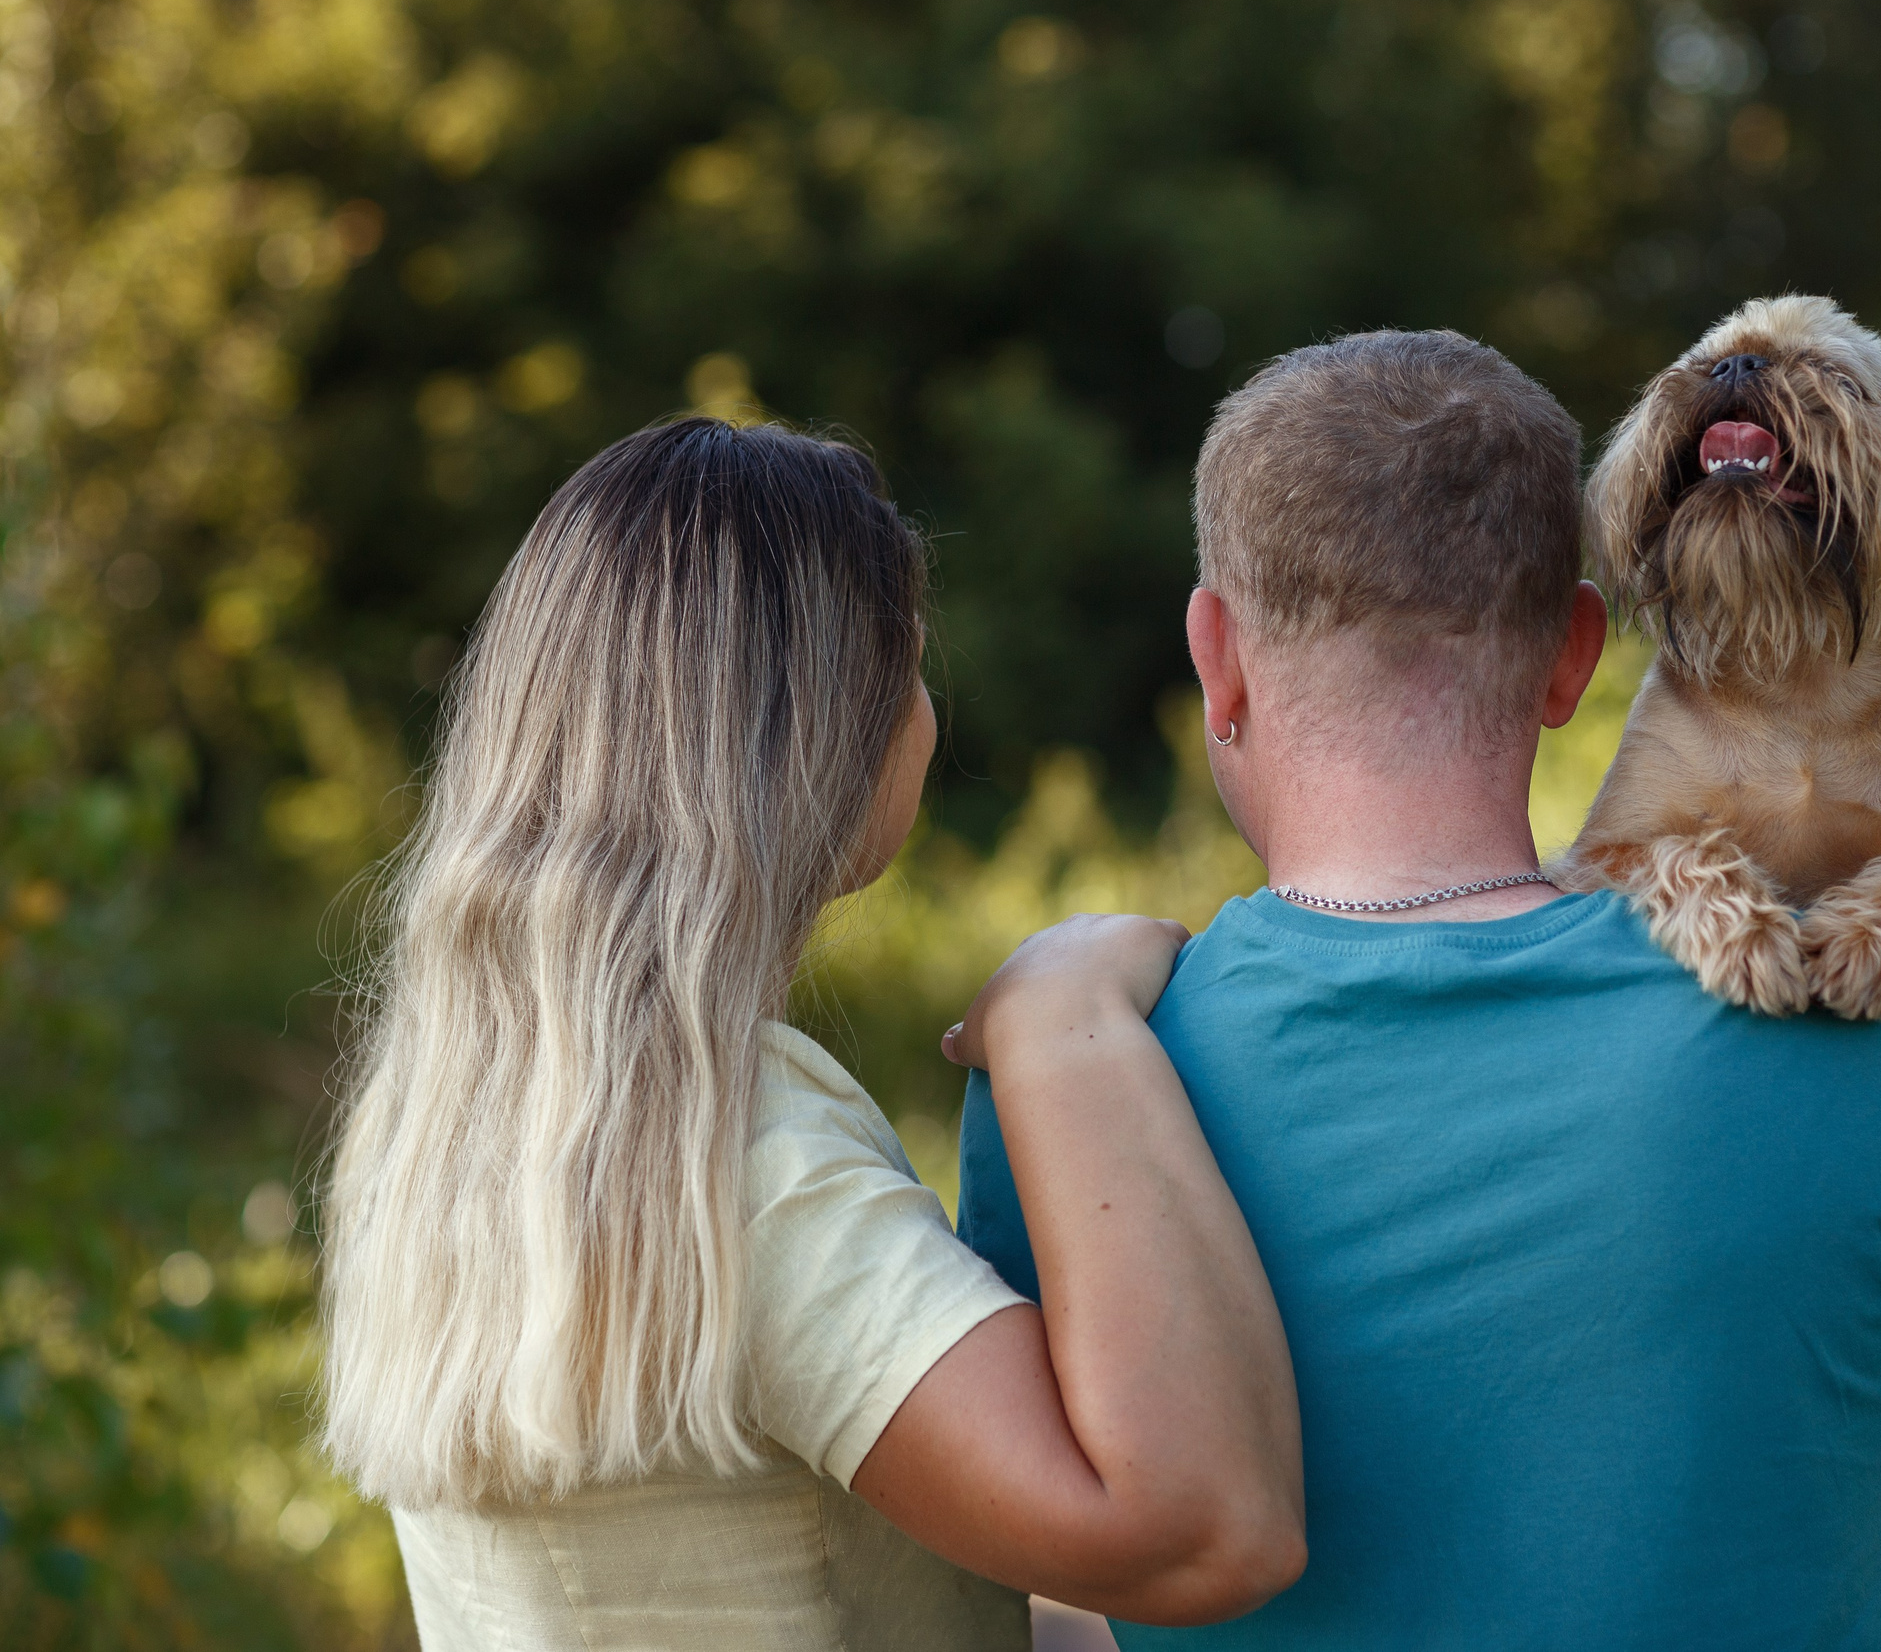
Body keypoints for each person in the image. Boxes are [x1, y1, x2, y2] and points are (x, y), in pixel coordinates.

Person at [956, 331, 1881, 1649]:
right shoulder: (1869, 1016)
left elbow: (1040, 1568)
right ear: (1577, 655)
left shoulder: (1071, 1076)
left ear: (1215, 656)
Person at [320, 418, 1304, 1651]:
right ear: (821, 729)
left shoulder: (456, 1118)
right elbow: (1205, 1528)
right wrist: (1068, 1024)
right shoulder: (740, 1158)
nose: (927, 717)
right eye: (907, 671)